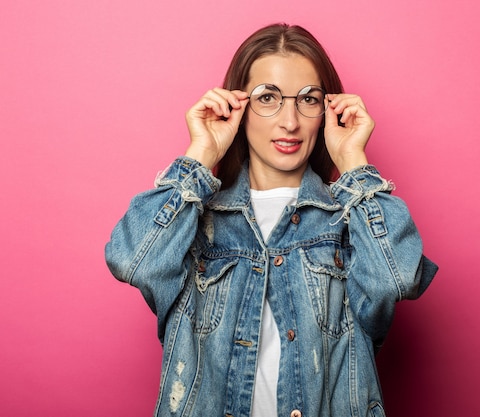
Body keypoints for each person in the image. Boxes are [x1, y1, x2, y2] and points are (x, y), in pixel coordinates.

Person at [105, 23, 437, 417]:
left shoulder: (351, 222)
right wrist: (200, 154)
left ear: (327, 111)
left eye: (308, 99)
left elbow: (397, 279)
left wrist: (353, 163)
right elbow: (133, 261)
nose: (290, 122)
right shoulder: (194, 222)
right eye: (268, 98)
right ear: (238, 108)